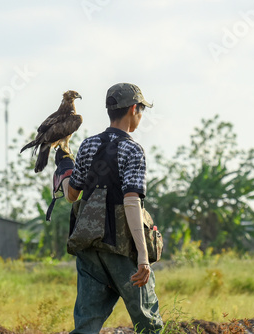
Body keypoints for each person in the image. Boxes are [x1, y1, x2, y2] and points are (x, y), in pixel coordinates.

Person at [52, 83, 163, 333]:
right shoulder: (132, 149)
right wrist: (144, 258)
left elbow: (71, 195)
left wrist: (64, 167)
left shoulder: (88, 146)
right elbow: (132, 202)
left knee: (87, 325)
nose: (141, 116)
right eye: (141, 110)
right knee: (149, 324)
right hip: (121, 250)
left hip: (89, 248)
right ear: (134, 109)